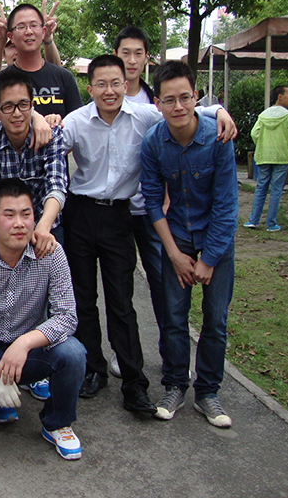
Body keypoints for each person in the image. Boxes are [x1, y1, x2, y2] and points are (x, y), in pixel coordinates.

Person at [60, 54, 236, 413]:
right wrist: (39, 118)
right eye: (101, 84)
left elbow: (180, 109)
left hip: (119, 217)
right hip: (81, 213)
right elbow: (47, 143)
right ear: (89, 88)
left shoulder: (145, 116)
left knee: (121, 301)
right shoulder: (76, 121)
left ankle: (134, 382)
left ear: (126, 85)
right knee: (83, 299)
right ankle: (93, 369)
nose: (109, 91)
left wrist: (218, 110)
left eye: (116, 83)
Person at [0, 178, 85, 460]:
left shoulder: (51, 253)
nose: (19, 223)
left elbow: (67, 316)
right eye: (9, 215)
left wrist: (24, 343)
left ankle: (58, 422)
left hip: (29, 352)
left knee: (73, 353)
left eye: (26, 214)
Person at [140, 60, 238, 427]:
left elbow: (227, 205)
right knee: (173, 316)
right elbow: (152, 201)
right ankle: (175, 384)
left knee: (216, 318)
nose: (178, 106)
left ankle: (208, 392)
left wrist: (209, 260)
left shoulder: (218, 138)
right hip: (177, 234)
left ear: (196, 97)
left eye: (185, 97)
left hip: (216, 237)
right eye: (169, 100)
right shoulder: (153, 142)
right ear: (158, 104)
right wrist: (174, 254)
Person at [0, 68, 68, 402]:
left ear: (33, 106)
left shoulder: (50, 134)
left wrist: (42, 227)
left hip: (43, 223)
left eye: (24, 105)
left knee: (43, 296)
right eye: (8, 106)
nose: (17, 113)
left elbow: (56, 184)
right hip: (2, 226)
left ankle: (35, 364)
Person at [111, 25, 164, 379]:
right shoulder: (107, 96)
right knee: (121, 286)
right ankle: (124, 352)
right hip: (116, 210)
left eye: (138, 54)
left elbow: (182, 112)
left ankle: (170, 352)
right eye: (125, 53)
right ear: (115, 55)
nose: (131, 60)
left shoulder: (155, 100)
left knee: (162, 282)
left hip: (152, 210)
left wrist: (216, 110)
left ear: (147, 58)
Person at [244, 85, 288, 231]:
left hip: (263, 155)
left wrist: (263, 143)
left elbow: (254, 133)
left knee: (261, 187)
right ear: (280, 97)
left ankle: (253, 220)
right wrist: (283, 142)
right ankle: (271, 223)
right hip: (281, 156)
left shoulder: (263, 115)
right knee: (276, 190)